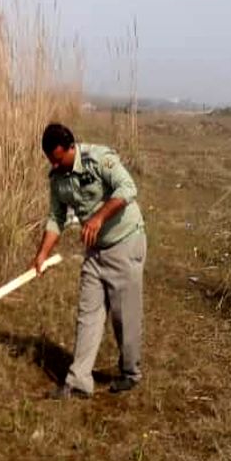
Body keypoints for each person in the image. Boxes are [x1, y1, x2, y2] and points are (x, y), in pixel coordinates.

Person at [32, 122, 146, 398]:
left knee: (124, 316)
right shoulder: (57, 178)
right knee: (88, 314)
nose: (56, 165)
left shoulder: (99, 159)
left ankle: (130, 373)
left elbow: (127, 188)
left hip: (124, 243)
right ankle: (79, 382)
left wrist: (98, 217)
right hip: (94, 253)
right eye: (51, 161)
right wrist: (42, 254)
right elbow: (56, 217)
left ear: (72, 147)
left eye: (59, 159)